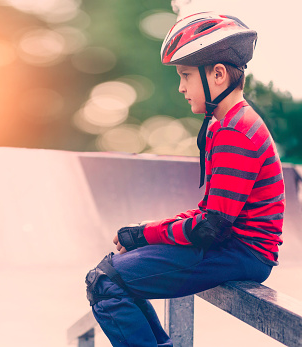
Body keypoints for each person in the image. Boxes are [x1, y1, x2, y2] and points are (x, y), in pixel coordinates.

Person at [85, 12, 285, 347]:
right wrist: (147, 231)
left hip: (243, 251)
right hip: (234, 245)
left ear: (218, 74)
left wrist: (144, 233)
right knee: (111, 273)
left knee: (105, 281)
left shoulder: (237, 131)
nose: (181, 87)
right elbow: (209, 213)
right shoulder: (225, 123)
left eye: (186, 75)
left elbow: (211, 227)